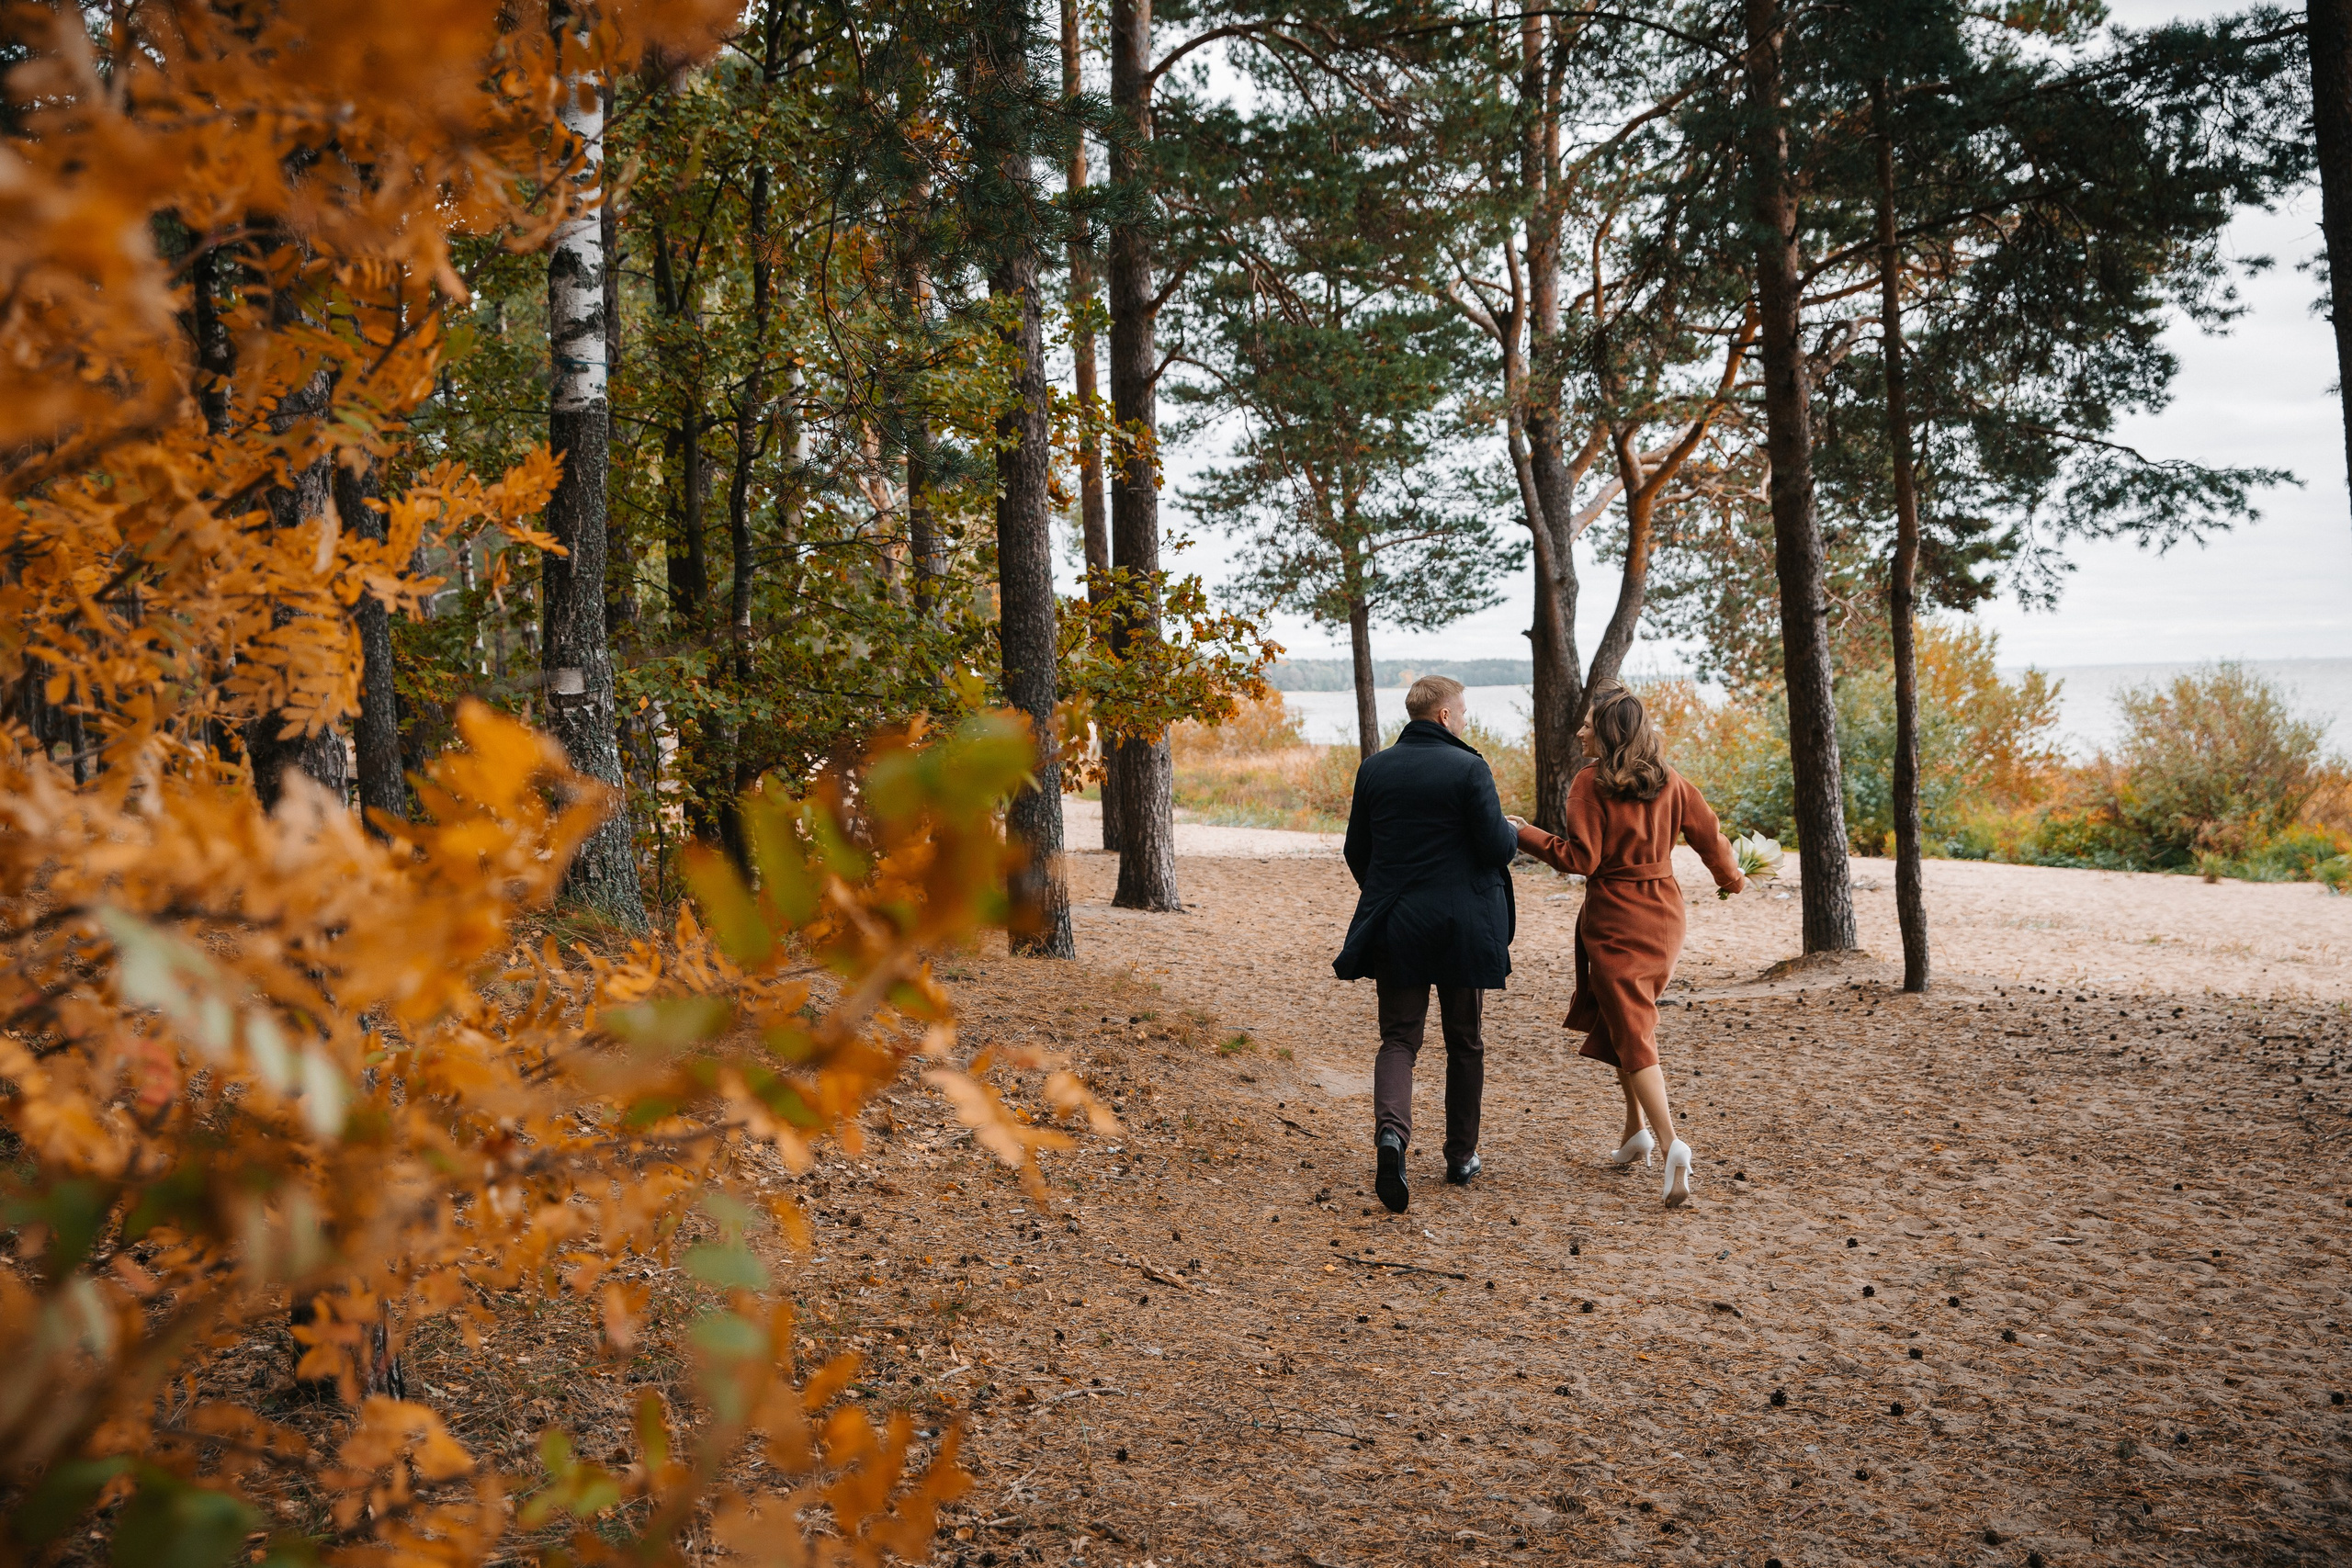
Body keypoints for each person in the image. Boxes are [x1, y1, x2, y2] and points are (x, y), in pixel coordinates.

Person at [1509, 682, 1743, 1208]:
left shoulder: (1590, 784)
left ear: (1609, 732)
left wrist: (1524, 834)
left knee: (1634, 1029)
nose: (1580, 730)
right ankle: (1633, 1131)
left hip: (1617, 919)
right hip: (1663, 913)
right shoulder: (1671, 781)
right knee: (1623, 1017)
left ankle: (1671, 1144)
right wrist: (1732, 878)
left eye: (1589, 723)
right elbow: (1710, 837)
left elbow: (1580, 860)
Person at [1333, 674, 1520, 1213]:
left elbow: (1356, 851)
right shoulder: (1469, 767)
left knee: (1398, 1039)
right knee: (1465, 1040)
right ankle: (1461, 1157)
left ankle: (1391, 1138)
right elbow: (1493, 847)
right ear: (1443, 716)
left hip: (1398, 924)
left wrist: (1389, 890)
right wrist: (1511, 831)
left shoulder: (1374, 768)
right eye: (1462, 711)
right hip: (1464, 926)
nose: (1465, 720)